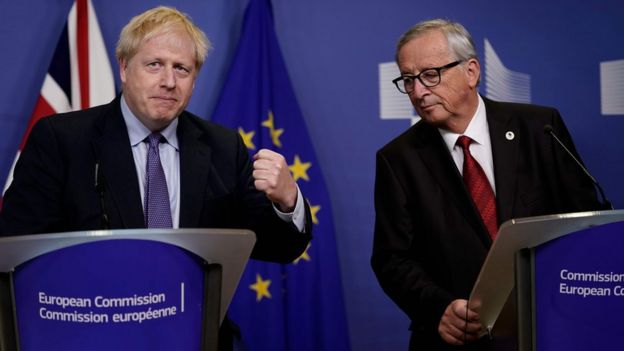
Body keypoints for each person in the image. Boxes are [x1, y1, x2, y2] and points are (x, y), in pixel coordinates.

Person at [0, 6, 311, 348]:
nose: (168, 81)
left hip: (193, 336)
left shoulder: (223, 147)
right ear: (124, 67)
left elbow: (278, 248)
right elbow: (19, 249)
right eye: (154, 65)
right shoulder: (62, 140)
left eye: (182, 69)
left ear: (194, 79)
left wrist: (288, 201)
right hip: (89, 335)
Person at [371, 19, 602, 350]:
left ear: (471, 72)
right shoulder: (397, 158)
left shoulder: (541, 129)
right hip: (459, 338)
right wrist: (440, 308)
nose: (419, 92)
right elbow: (391, 259)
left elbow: (585, 223)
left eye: (430, 75)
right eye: (408, 80)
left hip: (550, 328)